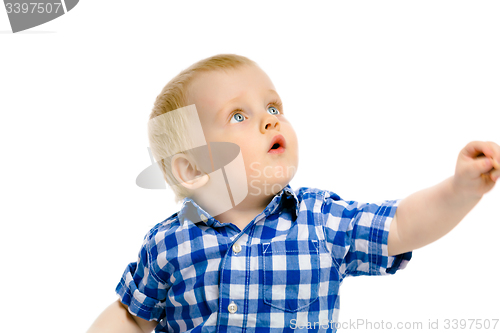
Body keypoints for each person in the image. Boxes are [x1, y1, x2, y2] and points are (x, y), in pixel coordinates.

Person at [87, 54, 500, 333]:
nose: (270, 121)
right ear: (192, 169)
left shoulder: (319, 221)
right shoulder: (168, 243)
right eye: (238, 115)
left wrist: (460, 189)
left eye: (272, 107)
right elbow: (131, 318)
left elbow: (402, 224)